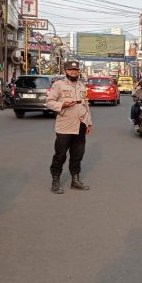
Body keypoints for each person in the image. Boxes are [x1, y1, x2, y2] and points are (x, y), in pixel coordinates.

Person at [46, 60, 93, 194]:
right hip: (65, 126)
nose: (74, 72)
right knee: (60, 155)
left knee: (77, 155)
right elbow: (49, 102)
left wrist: (89, 122)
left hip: (81, 125)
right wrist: (62, 105)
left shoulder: (81, 86)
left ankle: (75, 180)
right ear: (65, 71)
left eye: (76, 70)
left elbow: (85, 105)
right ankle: (55, 181)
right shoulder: (58, 85)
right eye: (71, 70)